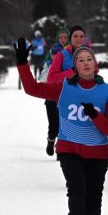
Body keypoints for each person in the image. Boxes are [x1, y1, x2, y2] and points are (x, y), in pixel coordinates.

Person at [14, 37, 108, 215]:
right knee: (78, 190)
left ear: (95, 65)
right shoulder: (64, 89)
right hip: (69, 149)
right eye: (80, 60)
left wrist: (94, 115)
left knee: (94, 200)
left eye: (89, 59)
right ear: (75, 67)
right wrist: (23, 63)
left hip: (97, 153)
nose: (86, 63)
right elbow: (32, 88)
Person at [41, 28, 69, 156]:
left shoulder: (68, 61)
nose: (63, 39)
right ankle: (51, 140)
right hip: (51, 99)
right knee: (54, 126)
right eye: (61, 37)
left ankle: (61, 149)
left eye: (65, 37)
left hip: (66, 98)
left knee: (64, 125)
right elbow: (42, 79)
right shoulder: (49, 64)